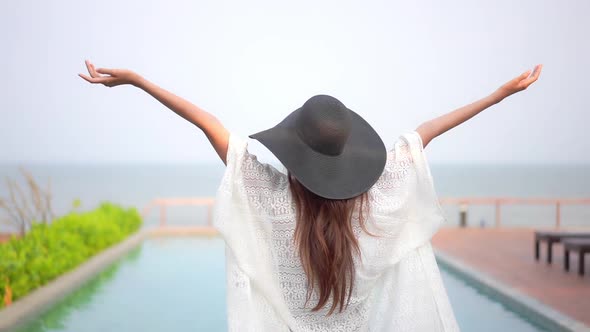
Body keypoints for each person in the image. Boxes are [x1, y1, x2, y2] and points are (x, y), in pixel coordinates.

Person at [80, 61, 543, 331]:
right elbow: (424, 134)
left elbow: (208, 124)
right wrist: (497, 95)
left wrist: (140, 81)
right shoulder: (375, 205)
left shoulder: (273, 199)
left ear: (296, 153)